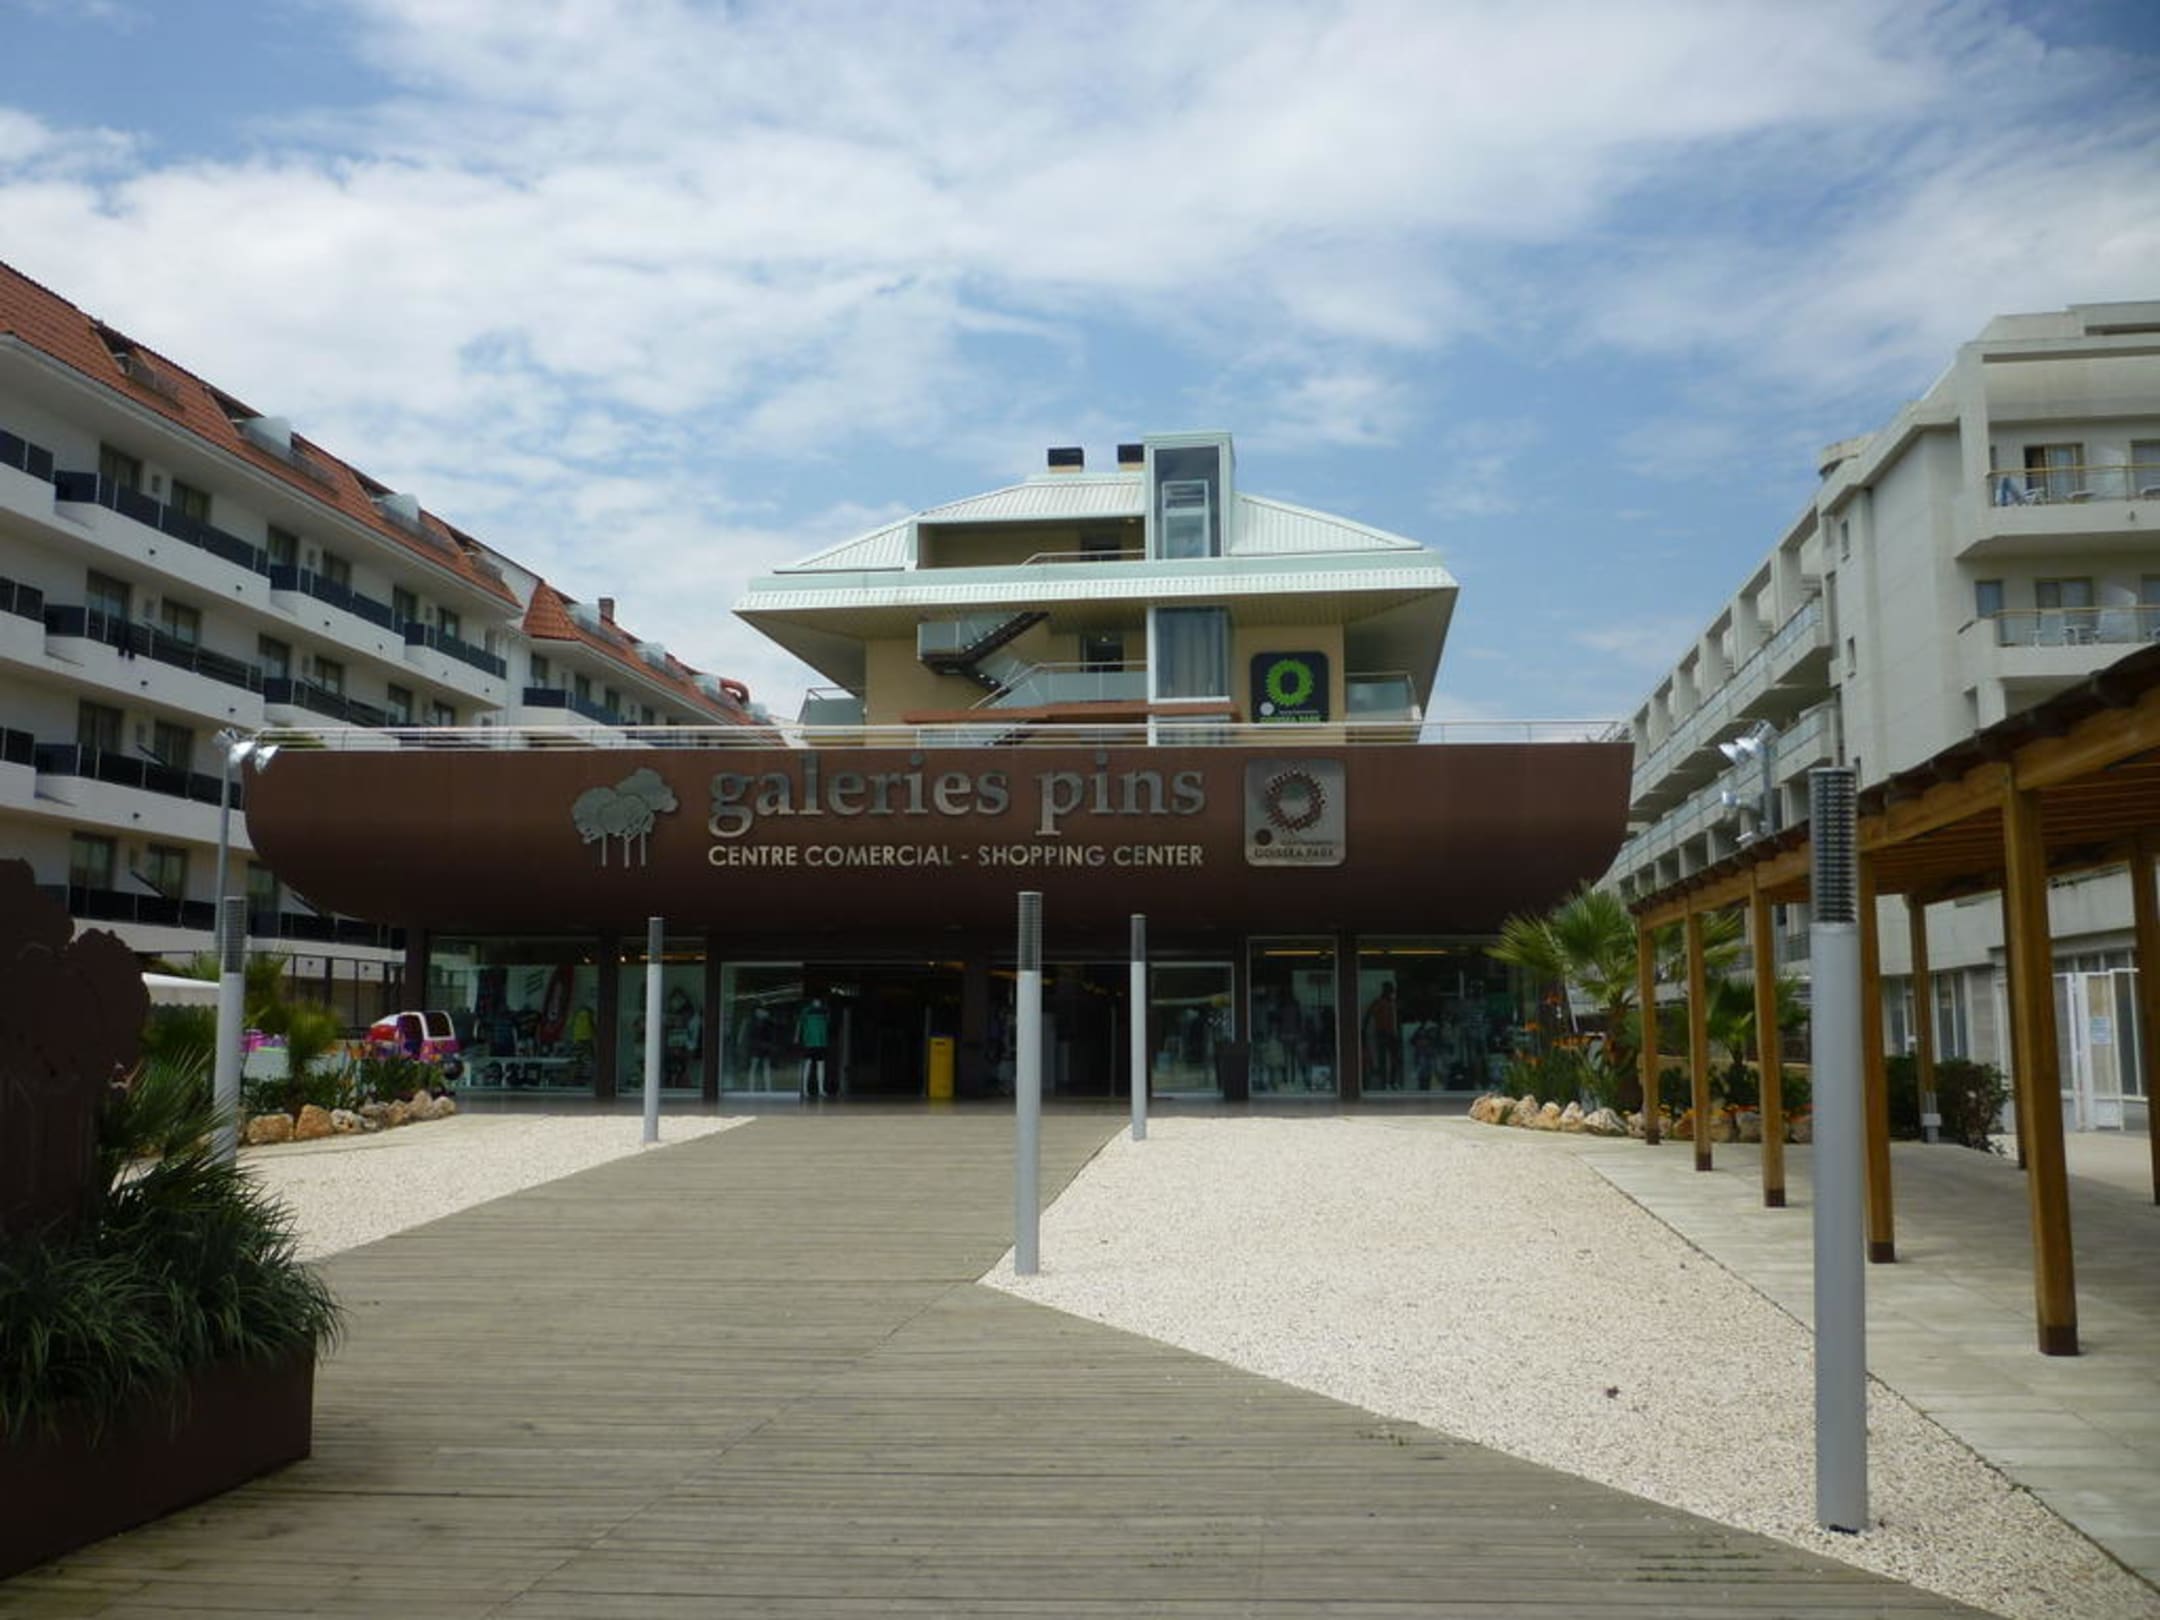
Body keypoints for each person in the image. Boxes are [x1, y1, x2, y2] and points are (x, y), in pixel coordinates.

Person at [1362, 981, 1400, 1088]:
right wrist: (1363, 1029)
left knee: (1394, 1058)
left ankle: (1392, 1081)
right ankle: (1384, 1082)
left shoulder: (1392, 1003)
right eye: (1390, 990)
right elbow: (1369, 1014)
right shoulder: (1379, 1002)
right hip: (1382, 1032)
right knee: (1382, 1059)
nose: (1391, 993)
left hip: (1391, 1032)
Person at [796, 995, 831, 1100]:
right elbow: (800, 1023)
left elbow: (828, 1024)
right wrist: (797, 1037)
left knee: (821, 1065)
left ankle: (821, 1089)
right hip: (809, 1042)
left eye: (818, 1000)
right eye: (816, 1000)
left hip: (821, 1042)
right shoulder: (806, 1011)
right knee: (808, 1064)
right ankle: (805, 1089)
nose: (817, 1002)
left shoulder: (825, 1011)